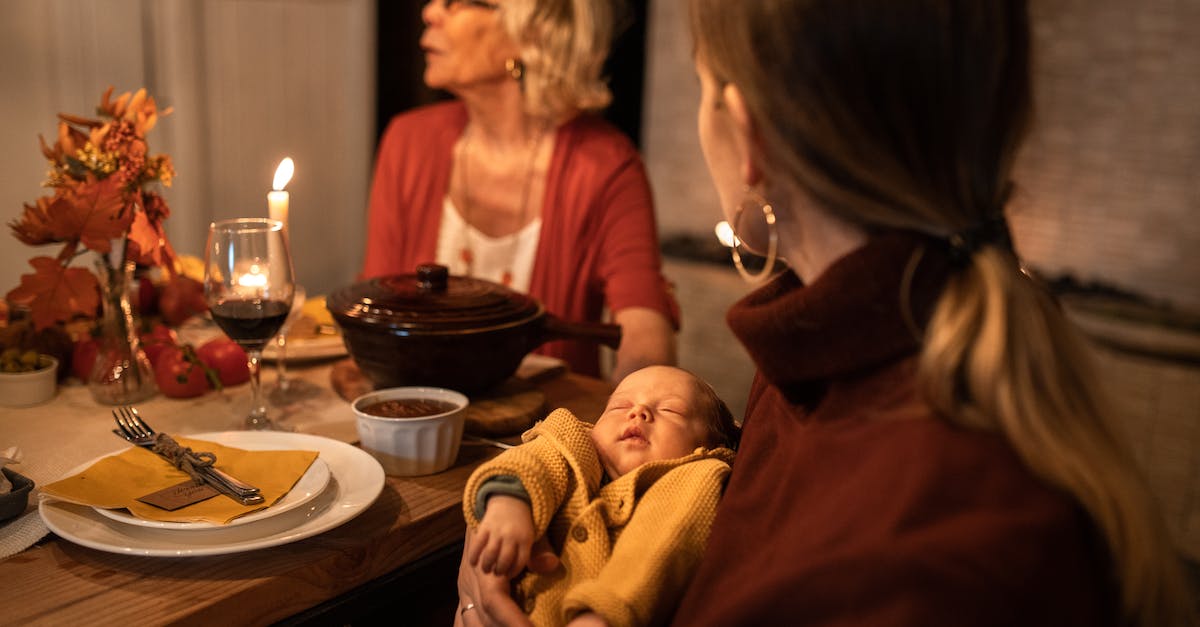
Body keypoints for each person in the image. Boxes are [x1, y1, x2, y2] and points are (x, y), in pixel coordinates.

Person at [459, 1, 1198, 626]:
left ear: (746, 135)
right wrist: (523, 497)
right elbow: (723, 506)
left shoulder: (931, 556)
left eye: (705, 88)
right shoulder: (813, 363)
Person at [360, 0, 678, 382]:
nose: (429, 11)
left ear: (530, 32)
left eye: (458, 2)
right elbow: (372, 310)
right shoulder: (409, 141)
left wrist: (625, 412)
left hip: (545, 431)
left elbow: (645, 335)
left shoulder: (604, 166)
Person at [456, 365, 738, 627]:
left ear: (712, 445)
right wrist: (508, 504)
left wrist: (600, 616)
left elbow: (659, 550)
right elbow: (529, 462)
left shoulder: (695, 477)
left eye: (671, 410)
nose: (637, 412)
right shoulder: (576, 444)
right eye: (619, 406)